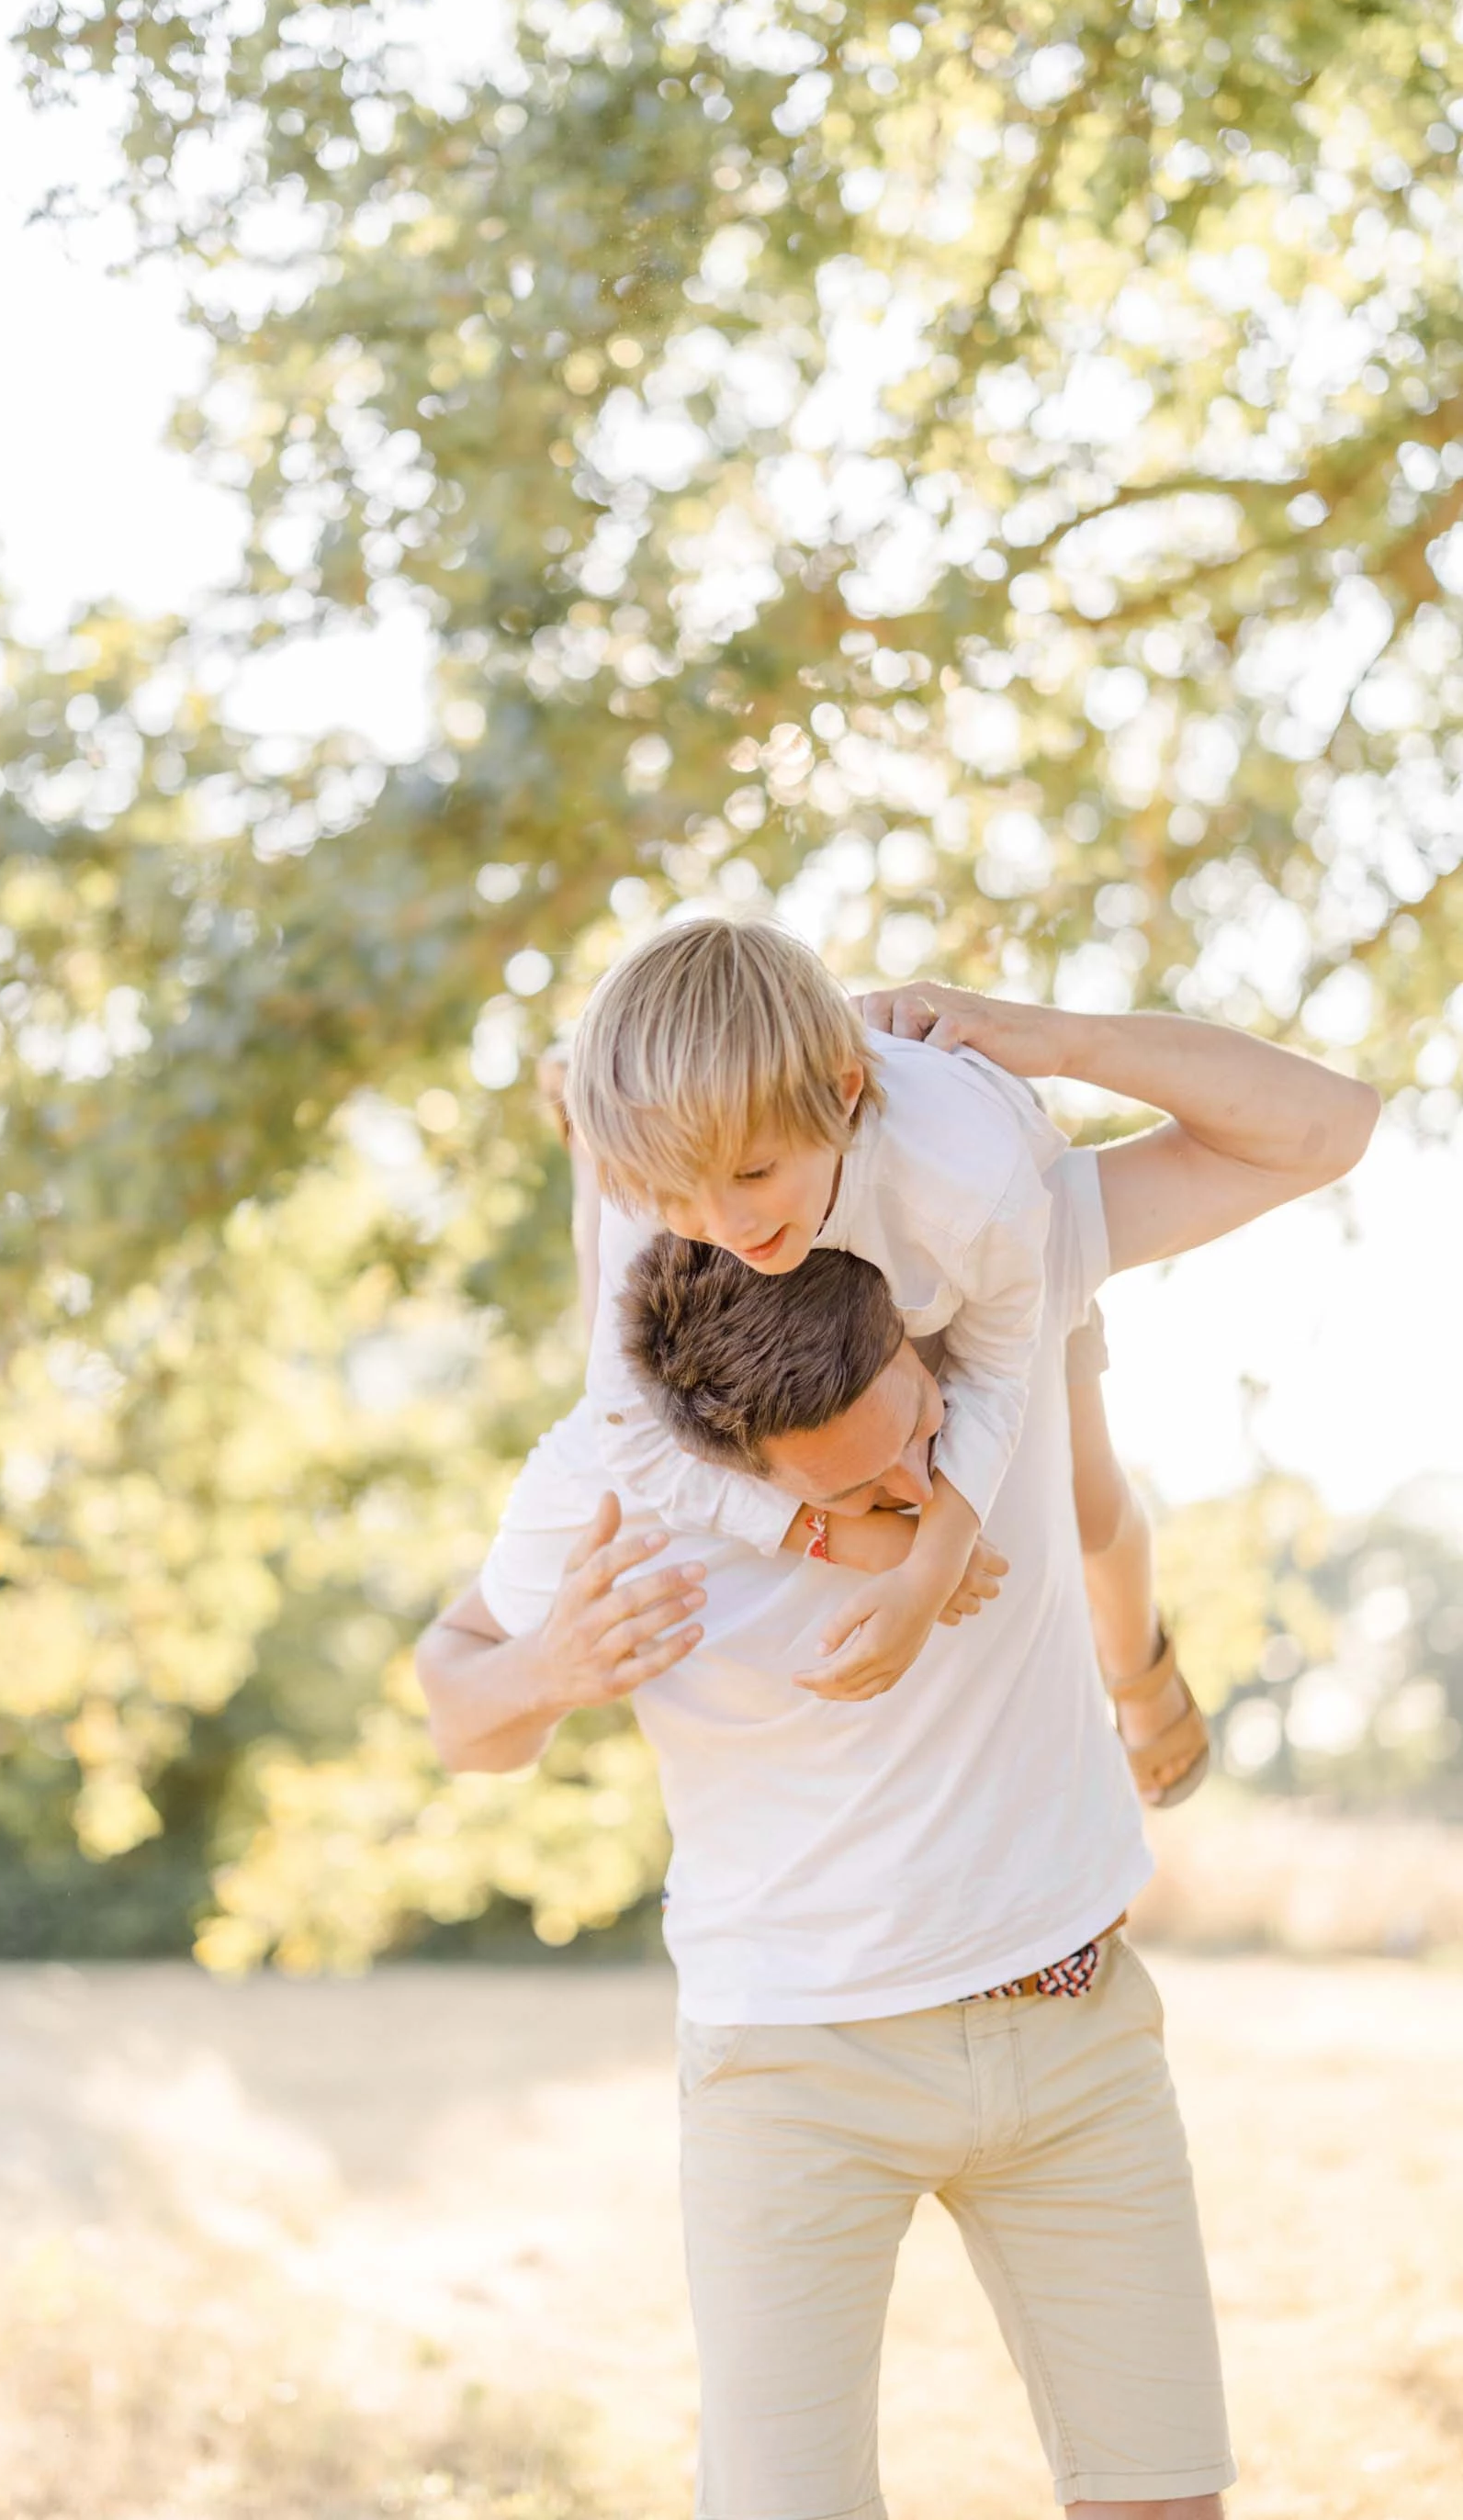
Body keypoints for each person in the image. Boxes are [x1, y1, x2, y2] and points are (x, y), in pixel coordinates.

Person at [419, 984, 1378, 2519]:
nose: (927, 1490)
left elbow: (1323, 1125)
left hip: (1068, 2025)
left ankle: (1143, 1678)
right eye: (863, 1483)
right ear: (738, 1459)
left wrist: (1053, 1040)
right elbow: (457, 1712)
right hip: (795, 2058)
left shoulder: (991, 1273)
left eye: (925, 1429)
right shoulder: (620, 1477)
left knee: (1163, 2498)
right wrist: (545, 1669)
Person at [542, 945, 1205, 1805]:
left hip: (988, 1271)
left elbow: (996, 1371)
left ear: (844, 1092)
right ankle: (579, 1139)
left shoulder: (974, 1182)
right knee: (628, 1341)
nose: (724, 1224)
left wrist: (929, 1575)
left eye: (752, 1174)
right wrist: (850, 1538)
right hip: (830, 1311)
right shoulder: (671, 1186)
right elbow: (626, 1429)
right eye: (680, 1199)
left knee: (1088, 1503)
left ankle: (1138, 1664)